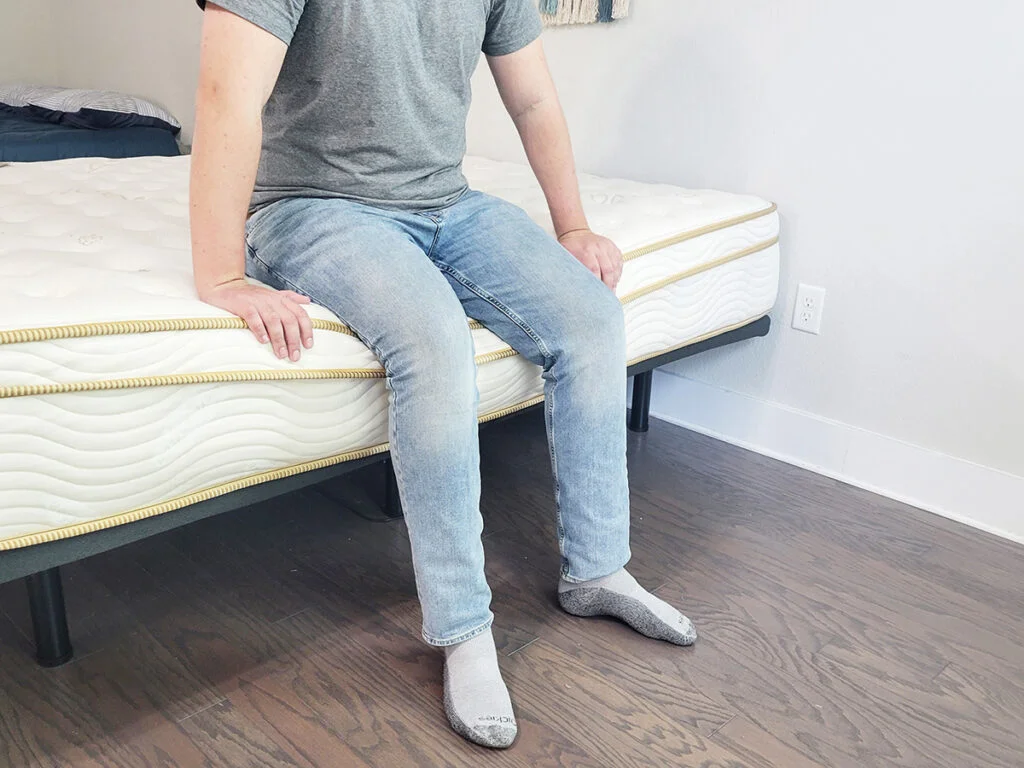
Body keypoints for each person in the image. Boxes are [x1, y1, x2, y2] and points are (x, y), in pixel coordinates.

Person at [190, 0, 696, 749]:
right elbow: (226, 95)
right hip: (312, 206)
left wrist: (574, 226)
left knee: (591, 318)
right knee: (433, 339)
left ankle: (597, 569)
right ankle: (463, 629)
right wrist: (223, 274)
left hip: (445, 202)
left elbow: (531, 96)